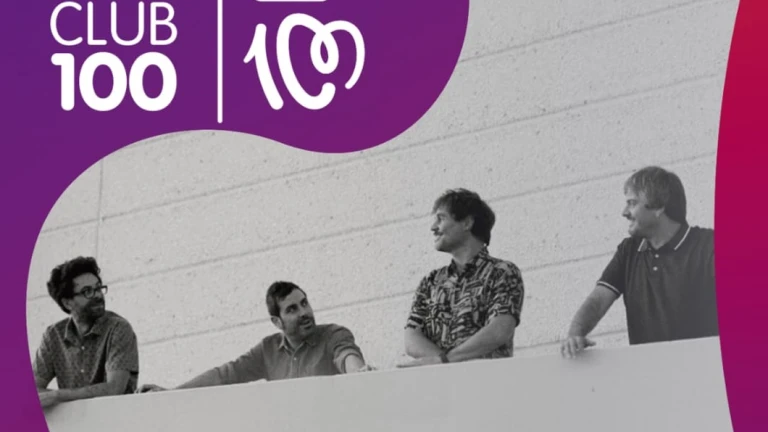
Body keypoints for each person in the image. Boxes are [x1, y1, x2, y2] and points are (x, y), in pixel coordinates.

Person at [561, 166, 718, 358]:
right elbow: (598, 300)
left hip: (703, 369)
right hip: (647, 371)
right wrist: (575, 334)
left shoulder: (709, 245)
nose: (624, 212)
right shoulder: (629, 251)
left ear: (659, 207)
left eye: (632, 203)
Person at [138, 281, 373, 392]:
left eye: (304, 303)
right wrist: (173, 393)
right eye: (292, 309)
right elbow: (225, 375)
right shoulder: (267, 349)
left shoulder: (333, 335)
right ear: (277, 322)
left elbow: (346, 354)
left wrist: (359, 373)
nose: (304, 312)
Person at [399, 188, 524, 368]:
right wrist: (446, 364)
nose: (433, 227)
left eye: (441, 218)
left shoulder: (502, 272)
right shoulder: (431, 281)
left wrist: (445, 361)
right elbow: (411, 338)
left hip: (488, 381)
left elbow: (500, 330)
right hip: (440, 384)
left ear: (467, 223)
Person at [32, 256, 140, 408]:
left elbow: (114, 389)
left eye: (98, 288)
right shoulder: (53, 335)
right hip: (72, 421)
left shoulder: (118, 328)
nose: (98, 295)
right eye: (87, 291)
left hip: (116, 418)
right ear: (67, 302)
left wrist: (58, 395)